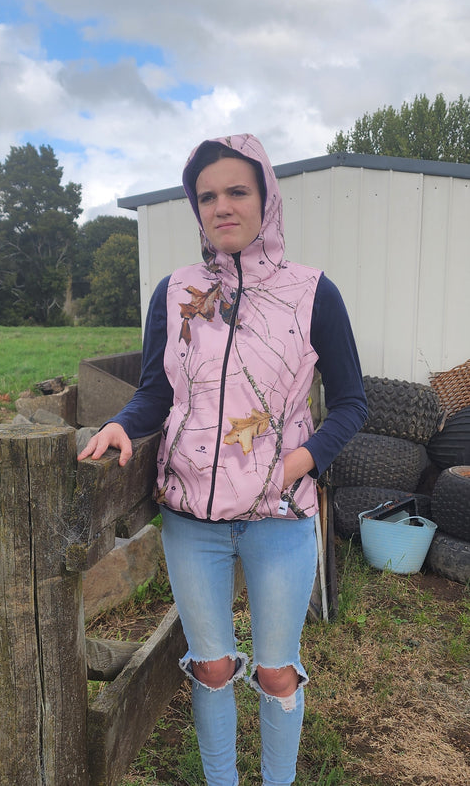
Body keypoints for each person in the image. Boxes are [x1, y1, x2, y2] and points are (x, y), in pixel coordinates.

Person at [78, 133, 367, 786]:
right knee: (210, 667)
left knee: (276, 671)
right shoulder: (175, 291)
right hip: (191, 521)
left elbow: (352, 403)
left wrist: (296, 464)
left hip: (278, 516)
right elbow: (155, 392)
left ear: (266, 197)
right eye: (206, 196)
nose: (221, 206)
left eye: (237, 190)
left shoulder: (312, 293)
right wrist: (121, 424)